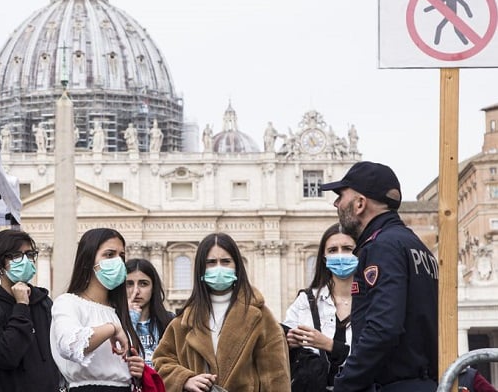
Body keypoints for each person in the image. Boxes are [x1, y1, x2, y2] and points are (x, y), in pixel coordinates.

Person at [321, 161, 439, 391]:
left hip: (395, 385)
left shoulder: (382, 247)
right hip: (426, 381)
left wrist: (345, 384)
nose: (336, 203)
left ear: (360, 204)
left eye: (340, 195)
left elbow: (383, 327)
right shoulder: (416, 246)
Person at [152, 232, 290, 391]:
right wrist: (184, 379)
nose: (218, 268)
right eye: (211, 262)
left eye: (225, 262)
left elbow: (276, 375)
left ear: (237, 267)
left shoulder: (260, 317)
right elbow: (161, 362)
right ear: (201, 269)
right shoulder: (184, 320)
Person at [50, 228, 146, 391]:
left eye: (121, 256)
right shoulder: (68, 303)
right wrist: (112, 328)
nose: (118, 262)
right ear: (88, 260)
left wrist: (136, 368)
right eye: (109, 255)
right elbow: (71, 345)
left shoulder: (118, 310)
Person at [0, 229, 61, 391]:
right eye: (16, 256)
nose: (25, 261)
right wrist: (21, 306)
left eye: (29, 255)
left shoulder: (44, 302)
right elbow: (6, 356)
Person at [282, 223, 357, 390]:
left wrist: (329, 345)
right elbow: (280, 349)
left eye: (347, 248)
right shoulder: (305, 301)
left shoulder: (372, 301)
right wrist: (289, 341)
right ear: (324, 257)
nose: (340, 255)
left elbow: (377, 353)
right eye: (332, 250)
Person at [125, 258, 174, 368]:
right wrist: (129, 319)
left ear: (153, 287)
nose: (136, 291)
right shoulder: (113, 320)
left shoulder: (170, 321)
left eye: (143, 284)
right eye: (129, 284)